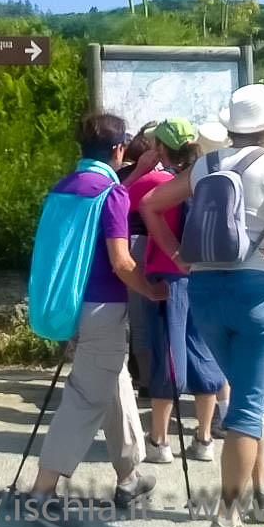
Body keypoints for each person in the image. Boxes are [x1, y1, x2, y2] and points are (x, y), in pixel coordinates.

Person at [141, 84, 264, 527]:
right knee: (248, 405)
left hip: (205, 290)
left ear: (230, 128)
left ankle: (260, 487)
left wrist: (178, 256)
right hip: (256, 289)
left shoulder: (204, 165)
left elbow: (149, 205)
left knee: (244, 392)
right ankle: (226, 523)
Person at [25, 112, 167, 527]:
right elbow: (122, 263)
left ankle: (129, 477)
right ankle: (42, 495)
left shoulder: (61, 189)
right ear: (118, 149)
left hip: (67, 305)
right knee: (86, 398)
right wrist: (152, 290)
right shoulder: (111, 193)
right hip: (104, 308)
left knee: (115, 382)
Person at [128, 118, 226, 464]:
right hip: (202, 276)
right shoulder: (205, 180)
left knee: (168, 355)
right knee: (202, 353)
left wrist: (140, 167)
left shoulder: (156, 181)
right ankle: (203, 438)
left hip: (167, 278)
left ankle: (159, 441)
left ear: (161, 149)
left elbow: (117, 201)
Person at [118, 121, 158, 395]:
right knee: (144, 317)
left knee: (135, 316)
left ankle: (140, 376)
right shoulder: (158, 177)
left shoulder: (123, 175)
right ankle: (148, 379)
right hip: (145, 246)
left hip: (127, 244)